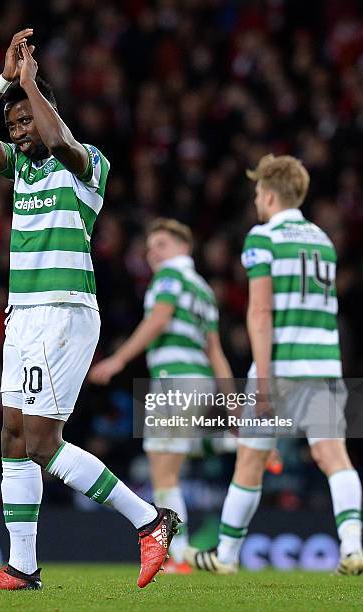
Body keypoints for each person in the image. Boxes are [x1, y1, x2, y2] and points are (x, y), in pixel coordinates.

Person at [0, 29, 179, 591]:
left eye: (26, 120)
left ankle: (150, 520)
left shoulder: (85, 164)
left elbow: (59, 142)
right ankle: (22, 567)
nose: (19, 131)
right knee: (11, 435)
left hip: (64, 311)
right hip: (24, 314)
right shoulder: (20, 168)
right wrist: (6, 81)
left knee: (41, 443)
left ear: (49, 112)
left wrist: (31, 86)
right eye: (13, 126)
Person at [185, 154, 363, 576]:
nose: (255, 202)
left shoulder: (262, 238)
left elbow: (261, 313)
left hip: (282, 367)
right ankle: (353, 546)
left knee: (249, 462)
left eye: (256, 195)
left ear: (268, 194)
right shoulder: (323, 239)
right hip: (323, 363)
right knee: (333, 456)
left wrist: (262, 382)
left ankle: (226, 556)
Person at [90, 218, 235, 573]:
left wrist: (118, 359)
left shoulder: (169, 278)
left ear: (184, 249)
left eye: (162, 245)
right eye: (151, 246)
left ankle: (179, 553)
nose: (153, 252)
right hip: (200, 382)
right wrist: (232, 405)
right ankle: (233, 443)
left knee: (164, 472)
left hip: (174, 381)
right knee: (176, 461)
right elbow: (215, 351)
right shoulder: (203, 289)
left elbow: (158, 320)